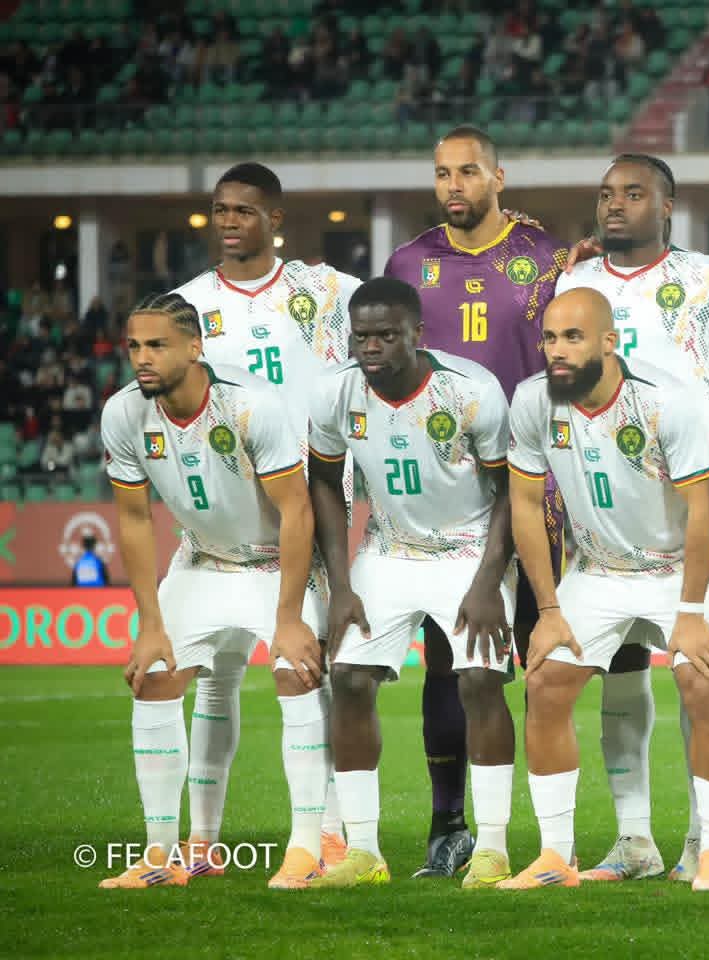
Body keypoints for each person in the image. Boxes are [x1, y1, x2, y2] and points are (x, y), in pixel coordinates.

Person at [556, 154, 709, 883]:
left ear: (668, 205)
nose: (615, 204)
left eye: (634, 193)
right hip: (601, 521)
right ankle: (633, 840)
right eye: (606, 193)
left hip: (686, 514)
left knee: (695, 674)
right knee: (618, 674)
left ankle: (704, 840)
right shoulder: (574, 282)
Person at [501, 288, 709, 892]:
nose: (556, 350)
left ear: (609, 342)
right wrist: (548, 609)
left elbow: (704, 511)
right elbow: (524, 505)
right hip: (598, 571)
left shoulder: (668, 403)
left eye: (572, 337)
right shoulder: (532, 401)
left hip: (677, 570)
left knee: (700, 679)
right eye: (549, 338)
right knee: (545, 683)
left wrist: (691, 612)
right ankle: (555, 856)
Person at [384, 125, 569, 877]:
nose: (454, 185)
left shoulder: (546, 257)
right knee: (450, 663)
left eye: (467, 172)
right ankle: (449, 827)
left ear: (498, 176)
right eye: (442, 174)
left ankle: (549, 837)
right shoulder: (408, 263)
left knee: (543, 666)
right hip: (449, 494)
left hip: (535, 486)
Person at [98, 293, 329, 889]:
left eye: (157, 345)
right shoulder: (123, 414)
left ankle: (307, 848)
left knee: (296, 671)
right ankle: (163, 856)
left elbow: (297, 511)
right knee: (153, 676)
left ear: (195, 348)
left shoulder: (250, 406)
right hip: (201, 560)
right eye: (134, 346)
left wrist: (288, 618)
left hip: (275, 564)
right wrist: (150, 624)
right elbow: (134, 520)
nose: (142, 358)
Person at [170, 162, 358, 877]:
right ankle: (202, 841)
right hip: (223, 519)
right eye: (220, 209)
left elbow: (405, 301)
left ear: (274, 220)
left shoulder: (324, 291)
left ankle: (329, 833)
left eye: (243, 211)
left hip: (307, 507)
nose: (228, 221)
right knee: (213, 678)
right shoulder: (188, 305)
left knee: (311, 669)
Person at [307, 279, 516, 888]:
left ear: (417, 334)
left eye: (386, 335)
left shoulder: (472, 390)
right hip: (389, 549)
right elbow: (324, 482)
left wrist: (489, 580)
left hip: (469, 549)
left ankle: (493, 849)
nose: (371, 347)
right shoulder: (335, 393)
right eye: (361, 336)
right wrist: (341, 585)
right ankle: (363, 852)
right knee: (348, 678)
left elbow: (512, 491)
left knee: (479, 679)